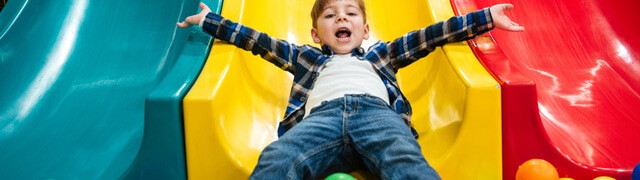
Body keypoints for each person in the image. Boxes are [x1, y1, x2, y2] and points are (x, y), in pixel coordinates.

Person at [177, 0, 524, 179]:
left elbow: (432, 35)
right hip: (320, 121)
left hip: (377, 115)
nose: (341, 20)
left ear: (365, 28)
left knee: (403, 157)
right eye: (329, 16)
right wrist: (211, 21)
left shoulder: (381, 54)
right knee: (277, 156)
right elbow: (258, 41)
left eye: (349, 14)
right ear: (316, 34)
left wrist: (486, 17)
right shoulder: (305, 58)